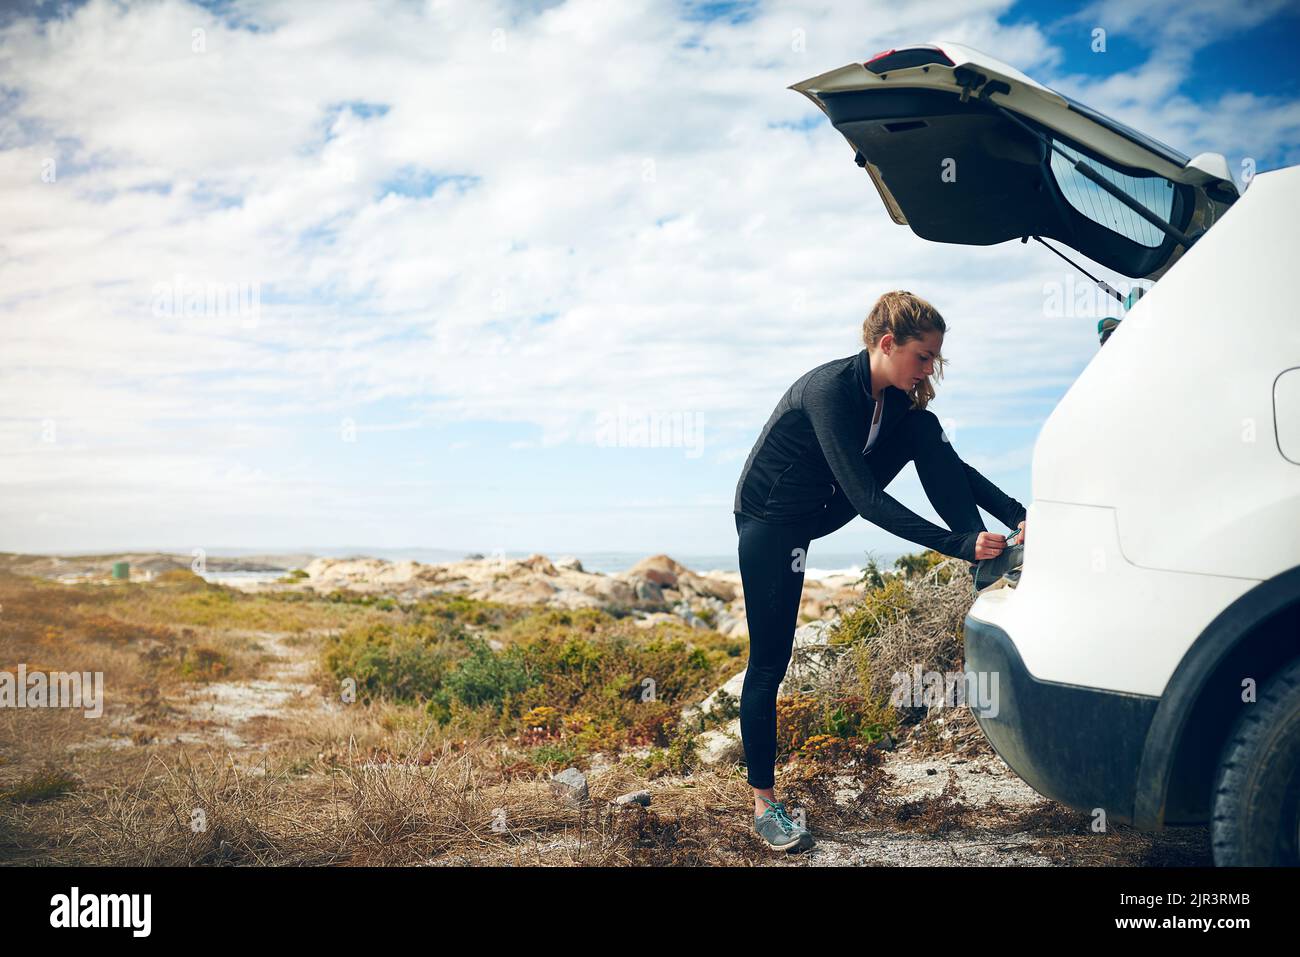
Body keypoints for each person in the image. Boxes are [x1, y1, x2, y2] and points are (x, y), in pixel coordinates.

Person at [732, 290, 1027, 851]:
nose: (929, 369)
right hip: (771, 520)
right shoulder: (828, 391)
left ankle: (988, 564)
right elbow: (867, 500)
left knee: (925, 430)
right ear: (887, 344)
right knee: (770, 661)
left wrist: (1017, 514)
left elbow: (950, 464)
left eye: (935, 359)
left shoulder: (892, 402)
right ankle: (765, 806)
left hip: (822, 506)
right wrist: (956, 543)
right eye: (923, 357)